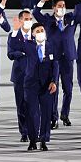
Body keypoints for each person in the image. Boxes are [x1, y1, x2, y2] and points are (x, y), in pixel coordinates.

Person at [33, 0, 78, 127]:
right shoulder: (47, 20)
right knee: (53, 88)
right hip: (53, 59)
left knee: (68, 89)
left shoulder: (70, 18)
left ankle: (65, 114)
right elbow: (36, 12)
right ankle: (54, 117)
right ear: (53, 8)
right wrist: (41, 1)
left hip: (68, 58)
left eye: (63, 6)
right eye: (59, 6)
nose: (62, 8)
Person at [21, 22, 58, 151]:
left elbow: (55, 65)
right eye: (37, 31)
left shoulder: (50, 46)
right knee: (31, 113)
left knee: (46, 113)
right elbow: (14, 45)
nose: (41, 32)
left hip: (47, 85)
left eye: (42, 30)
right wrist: (16, 31)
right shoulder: (28, 45)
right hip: (30, 85)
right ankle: (32, 140)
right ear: (32, 34)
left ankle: (43, 140)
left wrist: (54, 81)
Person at [7, 12, 34, 142]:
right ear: (20, 20)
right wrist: (22, 52)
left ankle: (34, 130)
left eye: (30, 19)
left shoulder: (36, 34)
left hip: (34, 76)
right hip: (19, 76)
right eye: (26, 19)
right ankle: (24, 132)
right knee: (21, 105)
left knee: (33, 105)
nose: (28, 21)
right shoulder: (13, 36)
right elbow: (10, 54)